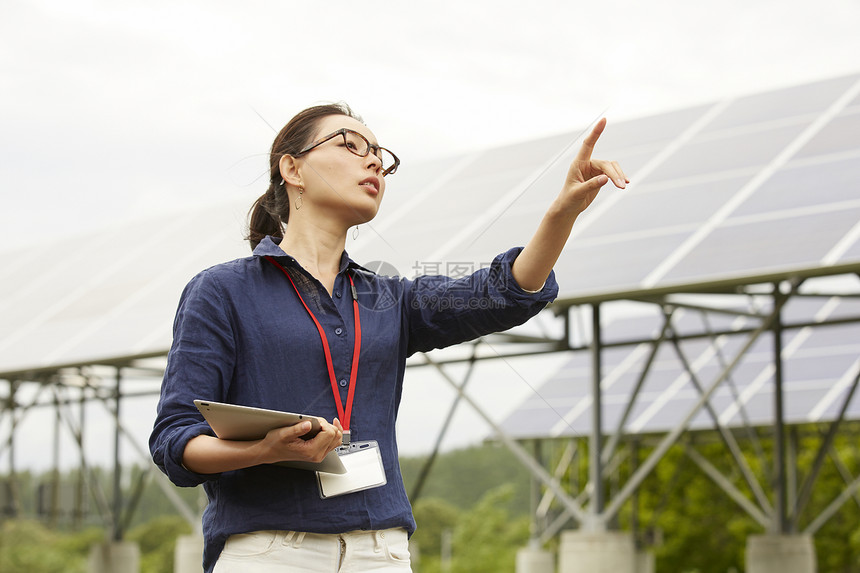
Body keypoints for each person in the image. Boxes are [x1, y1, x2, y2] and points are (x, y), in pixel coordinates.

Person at [150, 102, 628, 572]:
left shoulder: (391, 299)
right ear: (292, 169)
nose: (375, 160)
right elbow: (176, 440)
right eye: (351, 145)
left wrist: (563, 212)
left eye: (381, 154)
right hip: (272, 552)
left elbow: (502, 292)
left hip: (381, 554)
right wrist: (265, 450)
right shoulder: (222, 292)